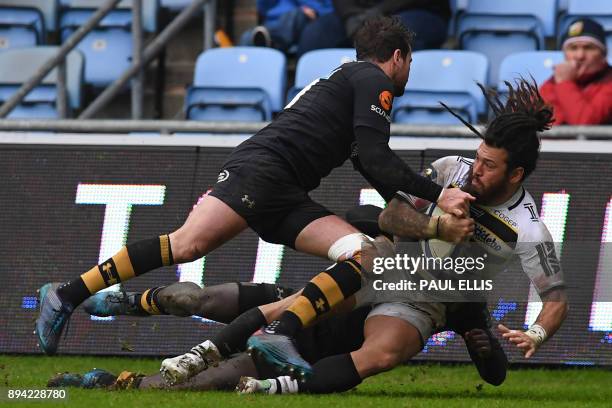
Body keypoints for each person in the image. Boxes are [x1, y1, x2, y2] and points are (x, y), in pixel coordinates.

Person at [35, 15, 472, 356]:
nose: (408, 71)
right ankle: (66, 294)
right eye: (410, 61)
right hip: (264, 171)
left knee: (365, 255)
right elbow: (379, 158)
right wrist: (439, 195)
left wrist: (411, 217)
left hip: (284, 188)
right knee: (186, 246)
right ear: (397, 56)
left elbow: (369, 165)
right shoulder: (373, 81)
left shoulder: (347, 81)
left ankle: (281, 332)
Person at [248, 78, 569, 387]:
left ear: (515, 174)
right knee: (289, 303)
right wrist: (436, 227)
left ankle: (280, 385)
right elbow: (390, 216)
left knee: (480, 363)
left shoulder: (528, 227)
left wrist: (535, 333)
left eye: (489, 165)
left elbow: (556, 300)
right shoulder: (450, 169)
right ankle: (214, 347)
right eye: (478, 158)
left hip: (440, 300)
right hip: (392, 268)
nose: (476, 169)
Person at [297, 0, 451, 57]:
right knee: (314, 35)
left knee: (394, 35)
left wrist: (375, 15)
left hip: (418, 9)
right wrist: (350, 18)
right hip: (358, 13)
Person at [540, 18, 612, 125]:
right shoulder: (553, 82)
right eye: (573, 48)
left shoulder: (609, 82)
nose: (580, 56)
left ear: (603, 55)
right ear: (565, 55)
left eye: (589, 48)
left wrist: (565, 84)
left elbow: (584, 124)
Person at [240, 1, 334, 53]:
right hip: (273, 23)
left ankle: (271, 40)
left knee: (296, 15)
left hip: (306, 22)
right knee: (247, 37)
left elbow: (331, 9)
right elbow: (263, 8)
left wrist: (316, 12)